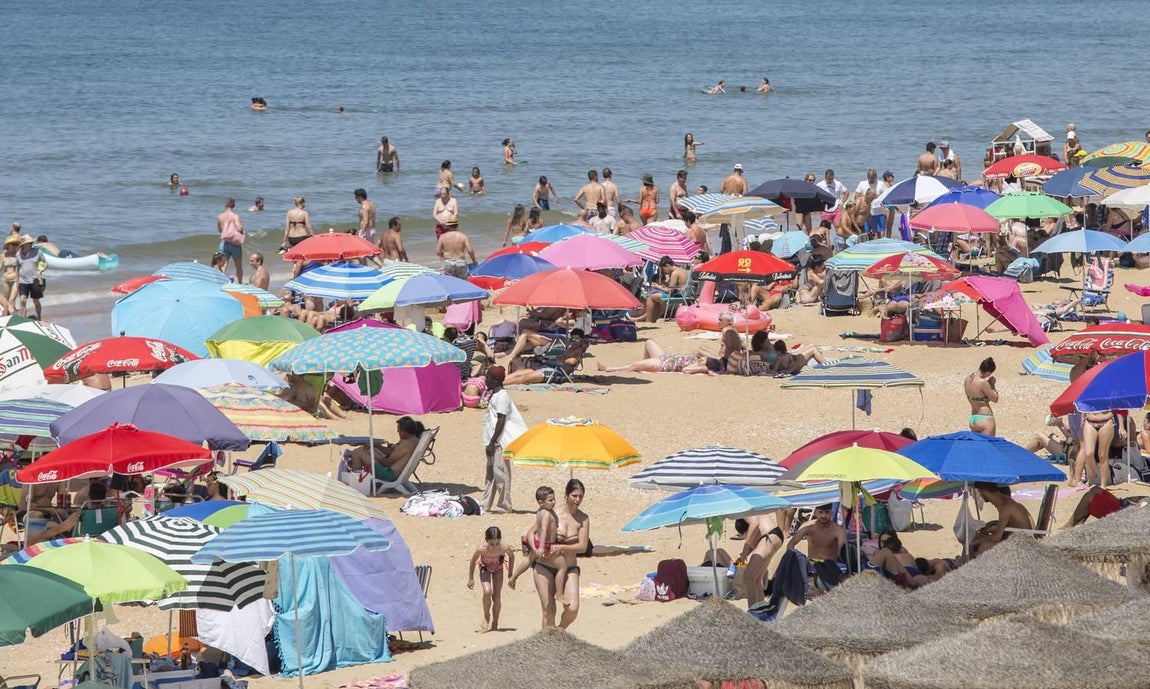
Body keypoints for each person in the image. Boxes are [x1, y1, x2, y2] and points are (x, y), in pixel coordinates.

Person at [530, 478, 591, 629]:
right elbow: (531, 533)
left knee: (572, 609)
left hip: (569, 567)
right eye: (574, 495)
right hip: (545, 566)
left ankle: (560, 630)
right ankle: (547, 645)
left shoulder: (583, 519)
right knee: (548, 611)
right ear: (566, 495)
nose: (577, 500)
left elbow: (582, 546)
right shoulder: (553, 513)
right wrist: (536, 550)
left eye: (580, 496)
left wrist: (561, 547)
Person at [481, 366, 525, 513]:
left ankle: (505, 505)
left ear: (495, 380)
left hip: (499, 442)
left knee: (501, 474)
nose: (486, 380)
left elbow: (501, 420)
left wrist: (493, 441)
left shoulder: (502, 397)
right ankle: (485, 504)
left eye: (488, 378)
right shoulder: (494, 394)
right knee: (490, 475)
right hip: (491, 441)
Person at [346, 416, 425, 482]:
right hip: (393, 472)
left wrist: (375, 456)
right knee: (367, 450)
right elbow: (392, 452)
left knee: (357, 452)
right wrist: (377, 446)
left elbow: (388, 463)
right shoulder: (413, 440)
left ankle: (357, 483)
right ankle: (358, 481)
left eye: (399, 430)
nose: (397, 431)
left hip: (389, 474)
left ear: (404, 431)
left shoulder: (407, 444)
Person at [787, 504, 846, 592]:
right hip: (811, 566)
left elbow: (843, 551)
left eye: (827, 512)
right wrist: (792, 561)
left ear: (831, 513)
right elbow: (791, 543)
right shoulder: (808, 526)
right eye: (821, 512)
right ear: (815, 513)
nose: (823, 516)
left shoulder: (837, 530)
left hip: (829, 567)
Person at [467, 525, 514, 632]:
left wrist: (510, 573)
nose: (494, 546)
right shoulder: (482, 549)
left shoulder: (503, 548)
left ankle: (495, 622)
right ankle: (486, 615)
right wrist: (471, 578)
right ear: (486, 541)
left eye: (497, 543)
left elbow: (512, 556)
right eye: (491, 544)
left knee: (497, 596)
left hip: (498, 568)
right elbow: (472, 561)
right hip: (485, 568)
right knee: (487, 591)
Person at [970, 482, 1033, 557]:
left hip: (1020, 544)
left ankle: (970, 565)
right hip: (1017, 539)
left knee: (985, 546)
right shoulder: (1006, 502)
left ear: (985, 491)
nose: (980, 495)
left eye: (980, 492)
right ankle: (965, 562)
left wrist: (978, 541)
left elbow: (997, 537)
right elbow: (1011, 523)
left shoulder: (1006, 506)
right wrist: (994, 523)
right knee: (978, 537)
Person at [503, 330, 588, 385]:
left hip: (556, 371)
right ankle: (497, 382)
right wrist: (561, 356)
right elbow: (561, 358)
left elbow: (571, 361)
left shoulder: (579, 351)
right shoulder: (569, 349)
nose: (575, 342)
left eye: (577, 339)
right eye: (573, 339)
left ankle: (502, 384)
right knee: (518, 372)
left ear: (582, 340)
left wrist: (561, 357)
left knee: (525, 378)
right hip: (548, 366)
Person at [531, 486, 570, 605]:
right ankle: (559, 593)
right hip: (547, 544)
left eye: (554, 499)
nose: (554, 502)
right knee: (562, 568)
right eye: (550, 500)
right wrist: (542, 547)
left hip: (542, 543)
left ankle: (514, 576)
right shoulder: (547, 514)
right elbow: (543, 530)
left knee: (529, 560)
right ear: (541, 502)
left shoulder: (540, 512)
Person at [739, 513, 784, 607]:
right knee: (756, 579)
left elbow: (755, 524)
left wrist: (744, 551)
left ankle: (753, 613)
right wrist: (744, 554)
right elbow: (754, 535)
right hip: (771, 535)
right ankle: (760, 609)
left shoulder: (742, 508)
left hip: (769, 535)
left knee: (748, 577)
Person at [597, 339, 711, 375]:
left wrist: (701, 367)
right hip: (664, 357)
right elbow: (701, 349)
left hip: (662, 364)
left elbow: (685, 370)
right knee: (648, 342)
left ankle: (610, 369)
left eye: (704, 359)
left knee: (636, 365)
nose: (702, 358)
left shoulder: (700, 366)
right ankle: (641, 364)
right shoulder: (696, 359)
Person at [1075, 409, 1115, 488]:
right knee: (1088, 453)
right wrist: (1082, 417)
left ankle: (1103, 485)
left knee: (1102, 454)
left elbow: (1118, 407)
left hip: (1106, 420)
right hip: (1089, 420)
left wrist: (1121, 426)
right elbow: (1084, 402)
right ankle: (1093, 473)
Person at [643, 255, 689, 322]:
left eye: (663, 269)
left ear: (667, 265)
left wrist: (658, 287)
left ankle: (649, 320)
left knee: (651, 297)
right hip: (685, 293)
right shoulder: (683, 270)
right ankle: (653, 319)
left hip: (680, 294)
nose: (663, 271)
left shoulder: (675, 273)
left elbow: (670, 291)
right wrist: (662, 287)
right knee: (655, 298)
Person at [10, 236, 44, 319]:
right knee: (22, 300)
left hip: (34, 280)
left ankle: (39, 317)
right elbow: (17, 268)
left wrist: (39, 271)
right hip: (23, 281)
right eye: (28, 243)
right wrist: (17, 281)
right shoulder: (18, 254)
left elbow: (44, 263)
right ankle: (23, 318)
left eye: (30, 243)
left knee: (36, 301)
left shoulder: (37, 252)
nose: (30, 244)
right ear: (24, 244)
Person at [965, 357, 998, 435]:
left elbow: (977, 396)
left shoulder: (967, 379)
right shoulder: (982, 383)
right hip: (985, 418)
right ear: (987, 372)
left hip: (973, 417)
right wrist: (992, 385)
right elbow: (995, 399)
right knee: (988, 446)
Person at [815, 170, 849, 246]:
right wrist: (818, 205)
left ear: (833, 177)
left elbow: (846, 192)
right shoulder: (820, 184)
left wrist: (842, 203)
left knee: (838, 227)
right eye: (828, 179)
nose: (830, 181)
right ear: (825, 177)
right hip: (825, 210)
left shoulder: (838, 183)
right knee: (824, 229)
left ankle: (840, 244)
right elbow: (815, 194)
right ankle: (826, 245)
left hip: (836, 209)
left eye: (831, 179)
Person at [216, 198, 245, 283]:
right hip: (235, 244)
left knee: (223, 265)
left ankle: (220, 282)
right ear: (234, 206)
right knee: (238, 266)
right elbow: (239, 228)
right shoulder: (235, 216)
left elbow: (220, 230)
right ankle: (240, 283)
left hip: (224, 243)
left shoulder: (220, 216)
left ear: (225, 205)